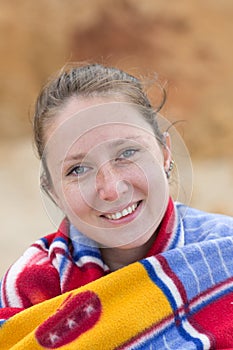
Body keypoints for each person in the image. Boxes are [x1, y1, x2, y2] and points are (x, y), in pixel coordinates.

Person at [1, 63, 233, 350]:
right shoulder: (30, 289)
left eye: (127, 152)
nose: (112, 189)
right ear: (54, 193)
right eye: (77, 169)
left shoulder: (226, 255)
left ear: (164, 153)